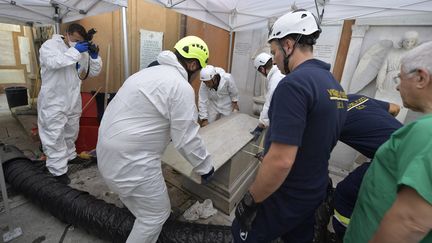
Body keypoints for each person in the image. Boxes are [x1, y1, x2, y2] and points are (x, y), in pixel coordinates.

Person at [231, 9, 347, 243]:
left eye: (274, 51)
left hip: (286, 194)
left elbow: (282, 161)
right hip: (314, 191)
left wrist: (251, 199)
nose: (273, 59)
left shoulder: (293, 85)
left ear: (289, 44)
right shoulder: (335, 86)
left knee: (241, 234)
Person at [96, 36, 215, 243]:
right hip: (131, 162)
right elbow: (186, 138)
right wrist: (206, 167)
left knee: (142, 203)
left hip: (106, 154)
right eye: (197, 73)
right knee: (156, 214)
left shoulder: (145, 73)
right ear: (193, 64)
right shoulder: (180, 86)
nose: (196, 78)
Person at [344, 41, 432, 243]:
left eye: (399, 78)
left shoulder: (426, 133)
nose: (397, 85)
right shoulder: (417, 130)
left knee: (345, 193)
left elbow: (410, 221)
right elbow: (394, 108)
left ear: (420, 77)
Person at [38, 23, 102, 184]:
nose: (76, 43)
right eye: (74, 40)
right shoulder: (50, 46)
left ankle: (70, 156)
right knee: (54, 134)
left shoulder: (80, 51)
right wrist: (75, 50)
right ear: (66, 34)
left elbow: (92, 72)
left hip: (73, 98)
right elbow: (55, 63)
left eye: (79, 42)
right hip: (54, 99)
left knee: (71, 130)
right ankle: (57, 170)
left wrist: (94, 57)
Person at [332, 94, 403, 240]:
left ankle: (346, 235)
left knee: (345, 193)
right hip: (406, 144)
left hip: (393, 160)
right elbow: (395, 108)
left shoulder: (327, 115)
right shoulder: (357, 98)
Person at [375, 31, 419, 122]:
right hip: (389, 80)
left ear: (415, 42)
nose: (409, 44)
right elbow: (383, 68)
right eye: (407, 41)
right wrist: (379, 82)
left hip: (404, 82)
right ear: (402, 41)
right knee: (385, 103)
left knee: (400, 107)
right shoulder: (392, 53)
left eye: (412, 41)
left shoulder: (415, 55)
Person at [250, 52, 285, 141]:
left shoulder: (275, 79)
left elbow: (269, 104)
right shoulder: (278, 72)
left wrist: (260, 126)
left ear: (262, 69)